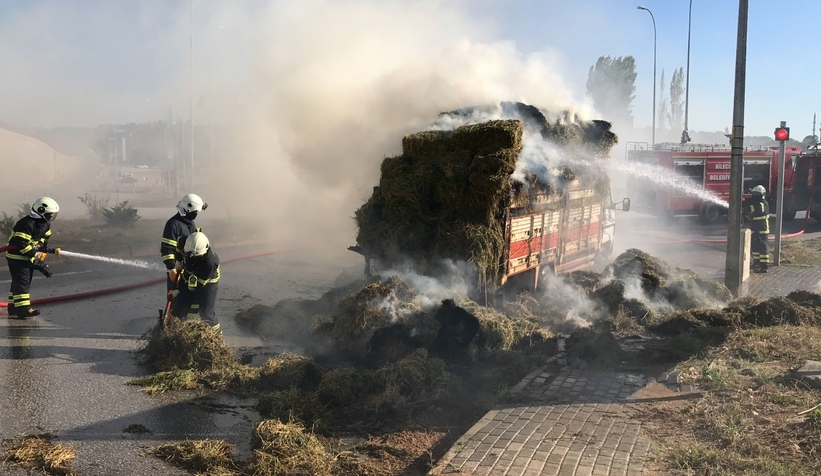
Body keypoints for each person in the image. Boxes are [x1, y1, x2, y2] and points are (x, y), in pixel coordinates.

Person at [5, 197, 60, 319]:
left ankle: (13, 308)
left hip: (28, 256)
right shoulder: (25, 224)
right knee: (22, 282)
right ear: (41, 210)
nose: (51, 216)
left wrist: (42, 250)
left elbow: (43, 241)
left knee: (19, 282)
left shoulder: (45, 224)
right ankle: (23, 309)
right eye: (49, 214)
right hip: (16, 257)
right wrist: (38, 263)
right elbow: (22, 246)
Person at [161, 193, 207, 310]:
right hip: (177, 270)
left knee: (191, 297)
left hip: (189, 268)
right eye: (195, 212)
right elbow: (167, 249)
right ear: (187, 209)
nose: (196, 214)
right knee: (176, 299)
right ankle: (172, 318)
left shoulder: (189, 222)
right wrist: (172, 268)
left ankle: (190, 318)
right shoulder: (173, 225)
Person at [170, 232, 220, 328]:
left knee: (206, 312)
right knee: (180, 306)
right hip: (190, 272)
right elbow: (179, 248)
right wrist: (178, 262)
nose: (192, 258)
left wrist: (179, 291)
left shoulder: (210, 263)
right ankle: (177, 328)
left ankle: (215, 333)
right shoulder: (184, 242)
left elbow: (196, 286)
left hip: (207, 281)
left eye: (196, 257)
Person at [743, 184, 770, 273]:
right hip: (755, 229)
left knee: (762, 248)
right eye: (754, 194)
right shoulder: (755, 203)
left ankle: (764, 266)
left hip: (762, 230)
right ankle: (756, 264)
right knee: (755, 248)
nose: (755, 196)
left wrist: (748, 209)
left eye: (756, 194)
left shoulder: (763, 203)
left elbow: (758, 209)